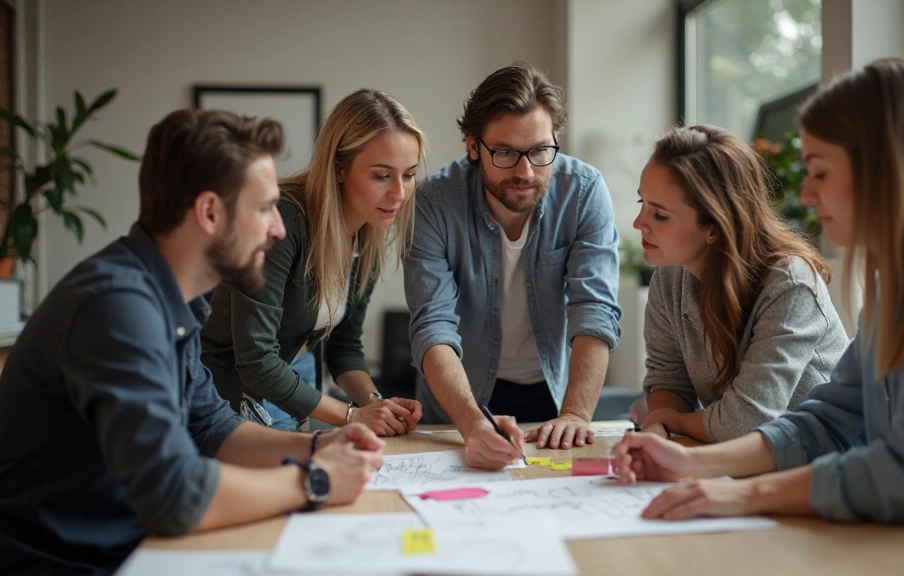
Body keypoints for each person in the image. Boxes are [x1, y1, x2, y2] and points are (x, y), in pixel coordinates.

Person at [613, 57, 904, 558]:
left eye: (821, 172)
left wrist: (739, 492)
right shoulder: (895, 282)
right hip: (901, 540)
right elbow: (828, 420)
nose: (806, 194)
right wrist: (689, 466)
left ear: (886, 167)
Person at [0, 110, 385, 575]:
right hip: (72, 562)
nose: (278, 229)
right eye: (264, 209)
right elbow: (173, 494)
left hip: (134, 546)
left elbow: (211, 428)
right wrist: (316, 481)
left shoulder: (170, 299)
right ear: (209, 212)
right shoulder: (118, 308)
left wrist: (320, 445)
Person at [404, 62, 621, 469]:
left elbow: (594, 310)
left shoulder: (584, 191)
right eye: (504, 152)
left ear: (556, 139)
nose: (525, 172)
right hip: (457, 401)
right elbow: (432, 325)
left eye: (540, 151)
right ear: (473, 146)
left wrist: (576, 414)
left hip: (553, 394)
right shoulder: (433, 203)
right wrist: (471, 424)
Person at [202, 89, 424, 436]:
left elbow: (344, 347)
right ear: (339, 168)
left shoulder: (368, 233)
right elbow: (256, 359)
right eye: (382, 176)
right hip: (221, 396)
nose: (398, 193)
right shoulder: (284, 221)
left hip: (288, 387)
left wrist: (377, 405)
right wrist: (352, 416)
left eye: (408, 175)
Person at [634, 125, 848, 443]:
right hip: (748, 460)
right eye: (642, 204)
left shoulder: (790, 284)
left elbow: (746, 421)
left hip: (823, 465)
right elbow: (668, 378)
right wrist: (659, 430)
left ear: (715, 226)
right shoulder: (671, 276)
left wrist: (674, 423)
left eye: (660, 215)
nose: (639, 223)